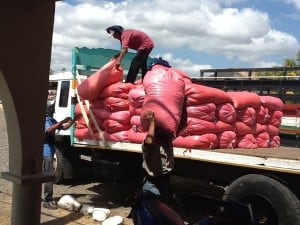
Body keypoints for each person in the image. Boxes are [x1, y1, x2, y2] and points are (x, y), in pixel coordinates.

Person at [43, 101, 75, 209]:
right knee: (49, 176)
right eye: (52, 108)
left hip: (50, 151)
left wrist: (73, 121)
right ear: (48, 110)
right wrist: (62, 121)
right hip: (45, 152)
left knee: (49, 176)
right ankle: (47, 200)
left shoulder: (52, 120)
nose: (53, 109)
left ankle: (47, 198)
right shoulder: (45, 120)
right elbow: (49, 130)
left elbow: (63, 127)